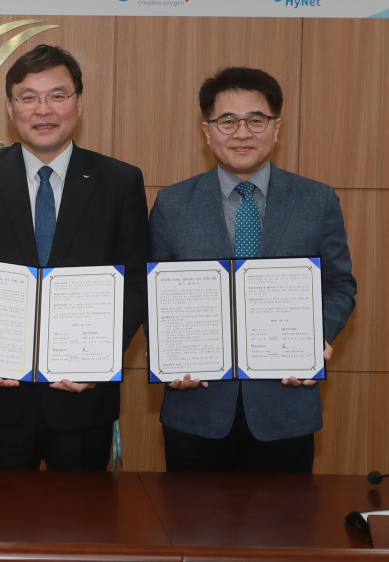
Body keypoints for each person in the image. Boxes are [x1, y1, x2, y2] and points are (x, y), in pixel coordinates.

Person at [0, 45, 149, 471]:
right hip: (0, 391)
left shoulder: (120, 181)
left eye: (58, 95)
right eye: (29, 96)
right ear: (10, 107)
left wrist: (101, 360)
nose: (44, 109)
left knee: (81, 526)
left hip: (82, 394)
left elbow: (136, 282)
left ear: (79, 102)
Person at [151, 66, 356, 473]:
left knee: (283, 534)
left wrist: (318, 337)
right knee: (191, 531)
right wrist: (168, 356)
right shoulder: (172, 205)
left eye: (255, 121)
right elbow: (153, 293)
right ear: (207, 130)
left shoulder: (317, 201)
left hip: (285, 409)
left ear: (276, 128)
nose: (242, 133)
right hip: (196, 408)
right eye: (227, 121)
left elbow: (339, 285)